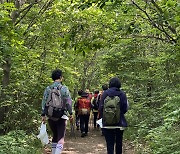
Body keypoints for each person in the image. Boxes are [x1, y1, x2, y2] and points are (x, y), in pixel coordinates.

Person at [41, 69, 73, 154]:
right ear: (60, 77)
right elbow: (68, 102)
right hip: (62, 115)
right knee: (60, 137)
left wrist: (43, 115)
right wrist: (71, 113)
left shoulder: (48, 88)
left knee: (55, 136)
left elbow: (44, 102)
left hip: (50, 115)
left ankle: (54, 152)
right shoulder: (64, 88)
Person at [99, 77, 129, 154]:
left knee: (110, 144)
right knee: (119, 143)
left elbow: (101, 107)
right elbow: (125, 108)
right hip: (119, 123)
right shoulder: (122, 94)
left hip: (107, 124)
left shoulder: (105, 93)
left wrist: (104, 117)